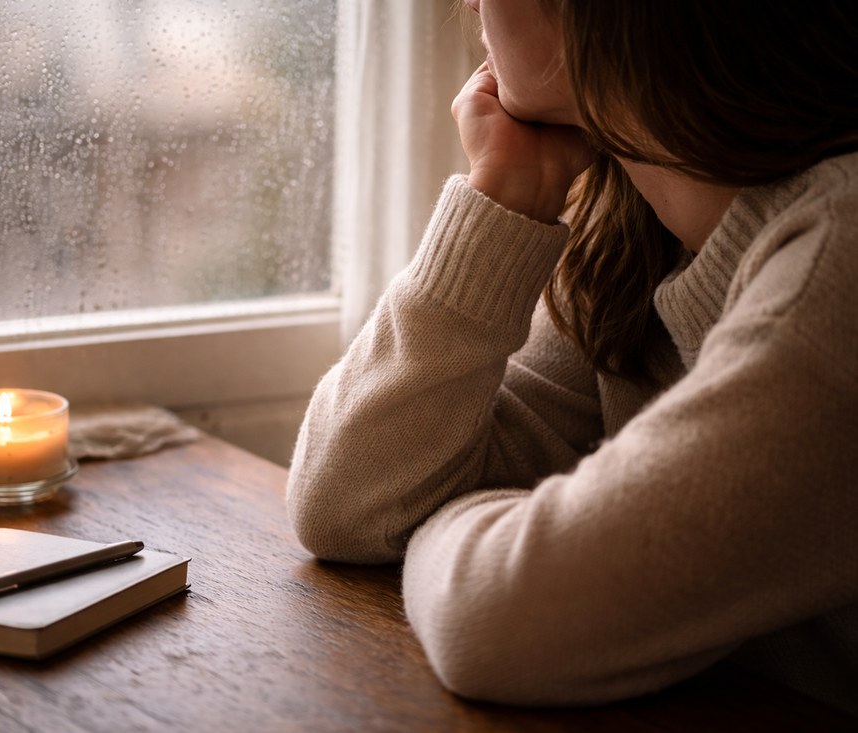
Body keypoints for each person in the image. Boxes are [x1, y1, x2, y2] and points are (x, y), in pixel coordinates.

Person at [286, 0, 858, 715]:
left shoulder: (841, 269)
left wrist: (466, 521)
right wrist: (508, 192)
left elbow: (498, 622)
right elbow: (344, 504)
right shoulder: (631, 230)